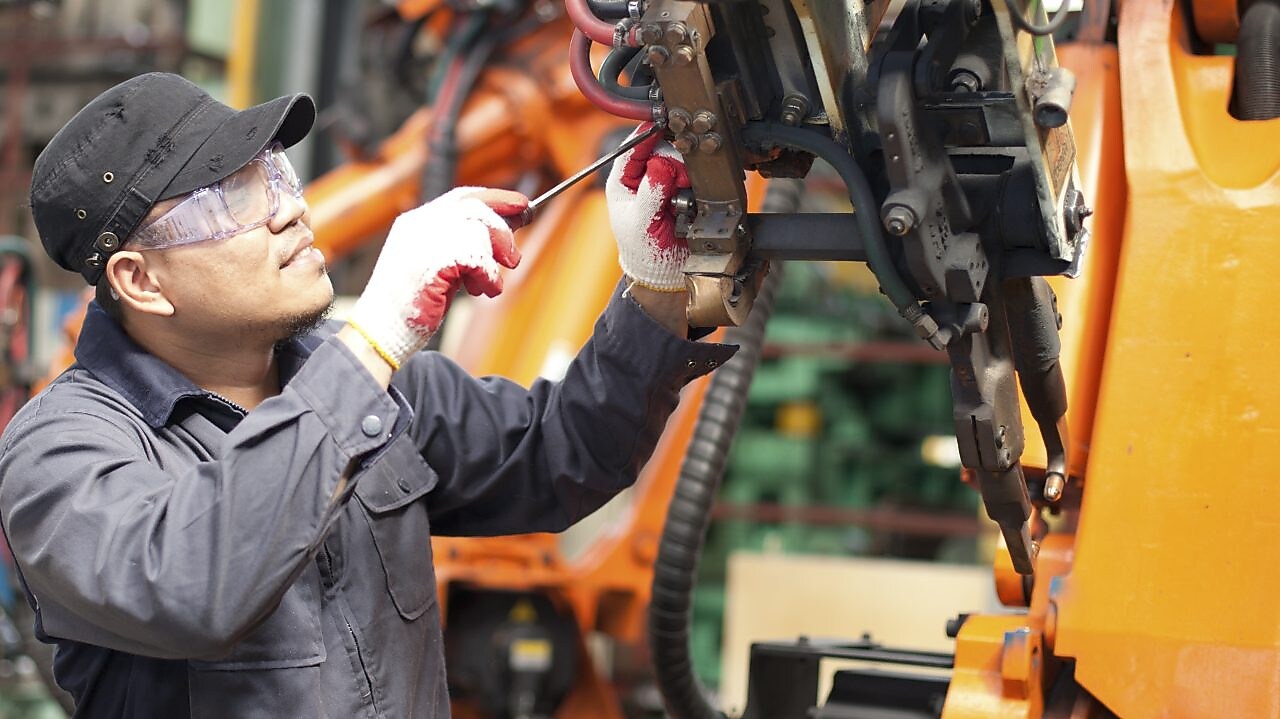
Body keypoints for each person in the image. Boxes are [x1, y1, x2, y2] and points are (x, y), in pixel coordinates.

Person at [0, 72, 732, 717]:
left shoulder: (382, 386)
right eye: (228, 200)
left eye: (275, 177)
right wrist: (375, 336)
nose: (289, 211)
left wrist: (657, 281)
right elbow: (193, 586)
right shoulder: (60, 453)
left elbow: (565, 452)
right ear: (139, 280)